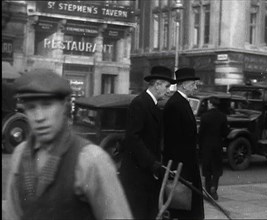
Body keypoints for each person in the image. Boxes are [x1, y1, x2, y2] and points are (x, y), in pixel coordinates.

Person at [5, 69, 132, 220]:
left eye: (47, 105)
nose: (39, 117)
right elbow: (12, 214)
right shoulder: (20, 155)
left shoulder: (91, 160)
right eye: (31, 107)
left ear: (64, 107)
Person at [119, 66, 176, 219]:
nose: (168, 90)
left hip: (147, 174)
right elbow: (133, 138)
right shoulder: (140, 103)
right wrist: (152, 163)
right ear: (157, 84)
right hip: (137, 176)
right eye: (166, 86)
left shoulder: (153, 106)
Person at [163, 67, 204, 220]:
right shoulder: (175, 104)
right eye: (193, 83)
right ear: (183, 84)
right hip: (182, 167)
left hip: (187, 165)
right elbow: (173, 140)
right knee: (182, 209)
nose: (195, 86)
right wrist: (177, 170)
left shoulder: (182, 102)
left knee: (188, 208)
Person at [199, 97, 230, 200]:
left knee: (207, 169)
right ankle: (214, 188)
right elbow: (225, 132)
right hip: (217, 145)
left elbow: (201, 133)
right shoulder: (222, 116)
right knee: (216, 169)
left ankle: (208, 190)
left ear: (211, 104)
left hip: (206, 146)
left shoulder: (204, 116)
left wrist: (200, 144)